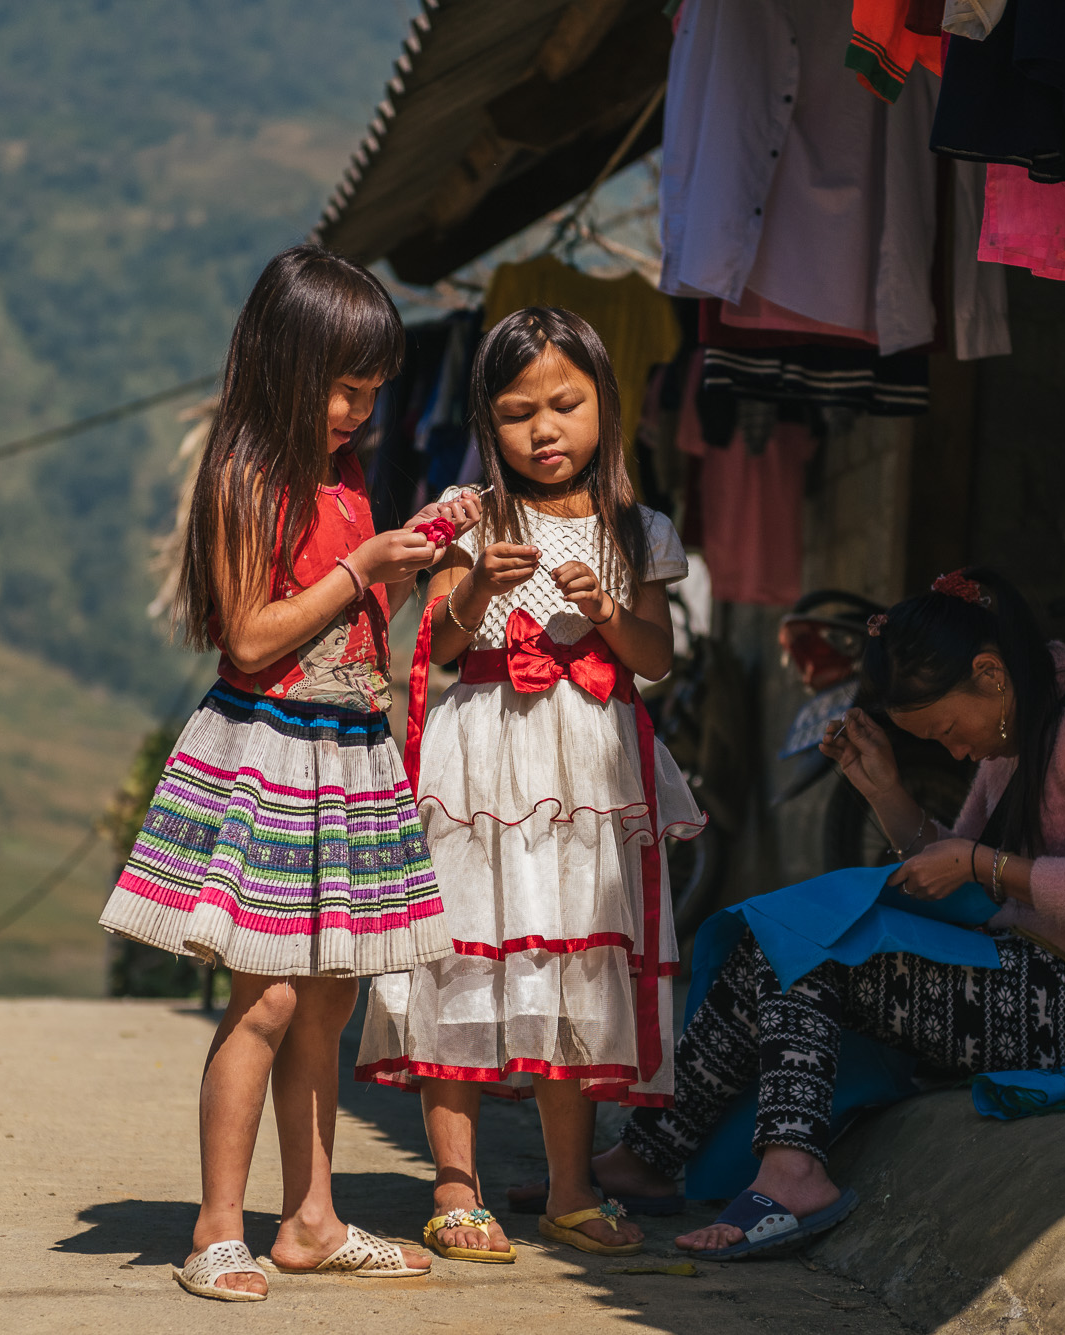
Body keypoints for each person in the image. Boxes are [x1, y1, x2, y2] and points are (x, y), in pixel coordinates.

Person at [576, 567, 1065, 1258]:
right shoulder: (1021, 714)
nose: (955, 750)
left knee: (813, 948)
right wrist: (887, 793)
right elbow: (958, 865)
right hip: (1027, 966)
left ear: (990, 674)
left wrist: (975, 862)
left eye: (945, 728)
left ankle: (791, 1172)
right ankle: (650, 1155)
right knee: (776, 940)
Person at [99, 246, 482, 1300]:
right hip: (266, 755)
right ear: (281, 364)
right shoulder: (245, 476)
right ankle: (215, 1227)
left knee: (328, 997)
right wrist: (362, 567)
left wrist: (421, 560)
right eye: (345, 387)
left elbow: (352, 638)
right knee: (264, 998)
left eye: (371, 390)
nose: (360, 409)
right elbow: (254, 633)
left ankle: (311, 1220)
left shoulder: (345, 481)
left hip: (345, 754)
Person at [354, 307, 704, 1262]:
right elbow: (439, 642)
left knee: (572, 968)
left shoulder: (639, 529)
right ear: (486, 421)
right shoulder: (470, 516)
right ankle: (454, 1188)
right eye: (517, 413)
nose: (544, 430)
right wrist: (470, 588)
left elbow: (657, 657)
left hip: (585, 775)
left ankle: (570, 1188)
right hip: (481, 776)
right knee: (465, 961)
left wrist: (604, 611)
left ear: (605, 406)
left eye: (565, 404)